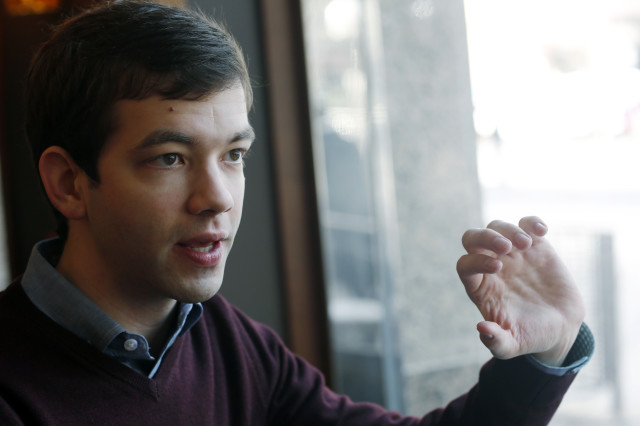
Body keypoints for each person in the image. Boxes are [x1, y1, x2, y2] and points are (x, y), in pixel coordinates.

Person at [0, 1, 594, 424]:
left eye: (234, 154)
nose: (218, 197)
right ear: (69, 183)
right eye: (170, 158)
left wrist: (547, 349)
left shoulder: (226, 340)